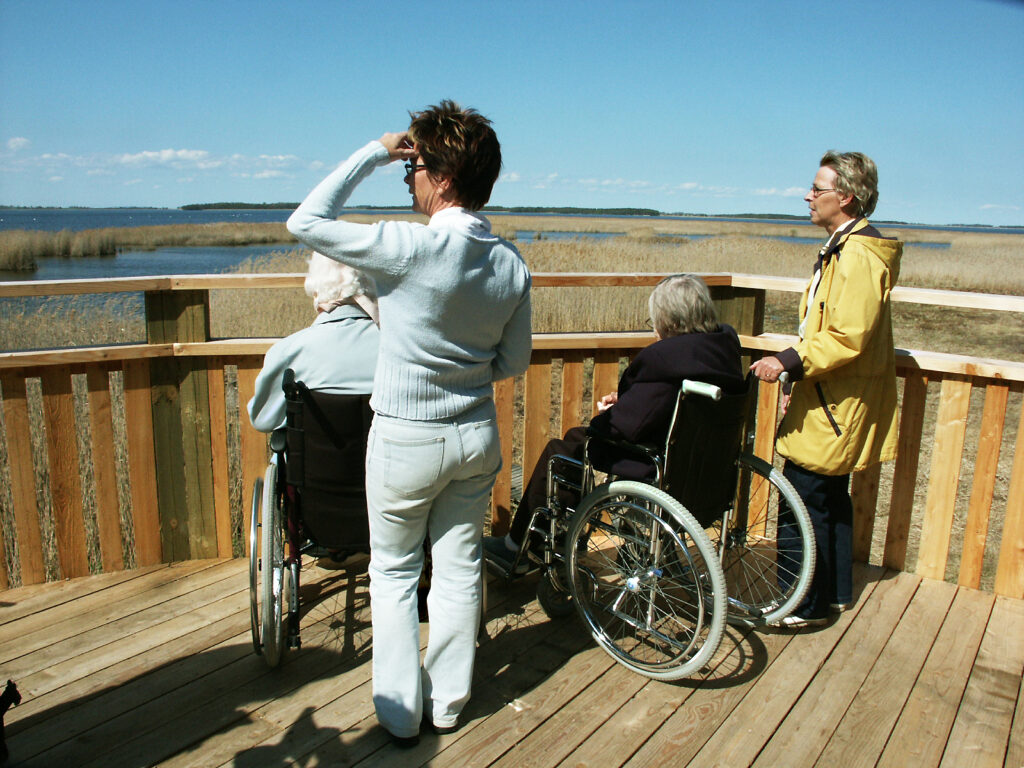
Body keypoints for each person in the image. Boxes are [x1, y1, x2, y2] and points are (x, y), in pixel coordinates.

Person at [286, 100, 532, 746]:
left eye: (414, 165)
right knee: (456, 570)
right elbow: (513, 360)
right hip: (475, 435)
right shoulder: (510, 262)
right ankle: (449, 703)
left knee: (394, 574)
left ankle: (400, 716)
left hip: (405, 440)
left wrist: (374, 149)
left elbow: (305, 220)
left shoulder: (406, 247)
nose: (407, 175)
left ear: (444, 178)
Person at [484, 274, 745, 572]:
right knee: (576, 441)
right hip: (705, 473)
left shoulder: (664, 358)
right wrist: (628, 402)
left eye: (655, 320)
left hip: (660, 465)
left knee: (567, 445)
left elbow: (626, 427)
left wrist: (604, 415)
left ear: (669, 321)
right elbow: (668, 405)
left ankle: (520, 546)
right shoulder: (723, 351)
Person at [750, 151, 902, 628]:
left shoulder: (856, 255)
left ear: (847, 196)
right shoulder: (846, 246)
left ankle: (803, 605)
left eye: (817, 189)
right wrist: (801, 375)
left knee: (802, 498)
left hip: (835, 402)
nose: (807, 196)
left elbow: (847, 336)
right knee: (828, 496)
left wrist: (786, 361)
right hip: (828, 396)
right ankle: (833, 595)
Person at [247, 252, 379, 433]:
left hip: (314, 460)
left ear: (316, 291)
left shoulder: (289, 351)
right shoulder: (400, 347)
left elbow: (263, 421)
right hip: (386, 459)